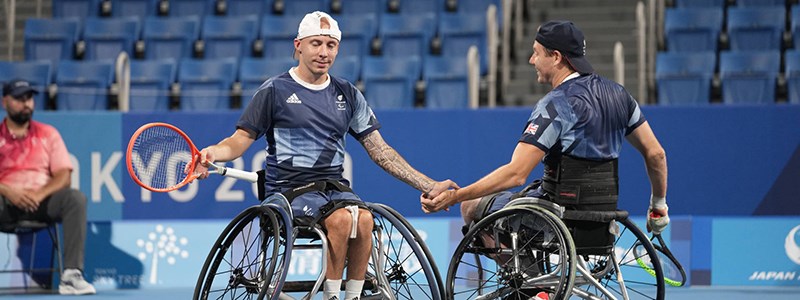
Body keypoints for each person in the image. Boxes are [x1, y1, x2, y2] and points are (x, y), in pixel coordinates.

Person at [192, 11, 457, 300]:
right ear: (298, 46)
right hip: (287, 193)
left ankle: (352, 296)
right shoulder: (275, 90)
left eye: (330, 45)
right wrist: (213, 153)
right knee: (343, 220)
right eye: (316, 43)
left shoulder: (348, 93)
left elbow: (381, 152)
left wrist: (428, 185)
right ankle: (332, 296)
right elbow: (240, 140)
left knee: (365, 219)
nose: (323, 52)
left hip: (334, 189)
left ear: (338, 49)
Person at [421, 19, 669, 285]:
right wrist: (658, 206)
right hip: (603, 220)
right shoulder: (621, 95)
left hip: (556, 217)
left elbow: (516, 174)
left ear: (556, 57)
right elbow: (656, 155)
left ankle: (531, 284)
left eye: (537, 53)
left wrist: (456, 197)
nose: (531, 60)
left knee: (473, 206)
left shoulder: (555, 105)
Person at [0, 79, 96, 295]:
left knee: (74, 198)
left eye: (29, 98)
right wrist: (8, 191)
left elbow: (64, 174)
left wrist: (39, 193)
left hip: (41, 203)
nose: (26, 103)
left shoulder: (47, 134)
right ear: (5, 101)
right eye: (19, 98)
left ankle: (72, 275)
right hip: (5, 202)